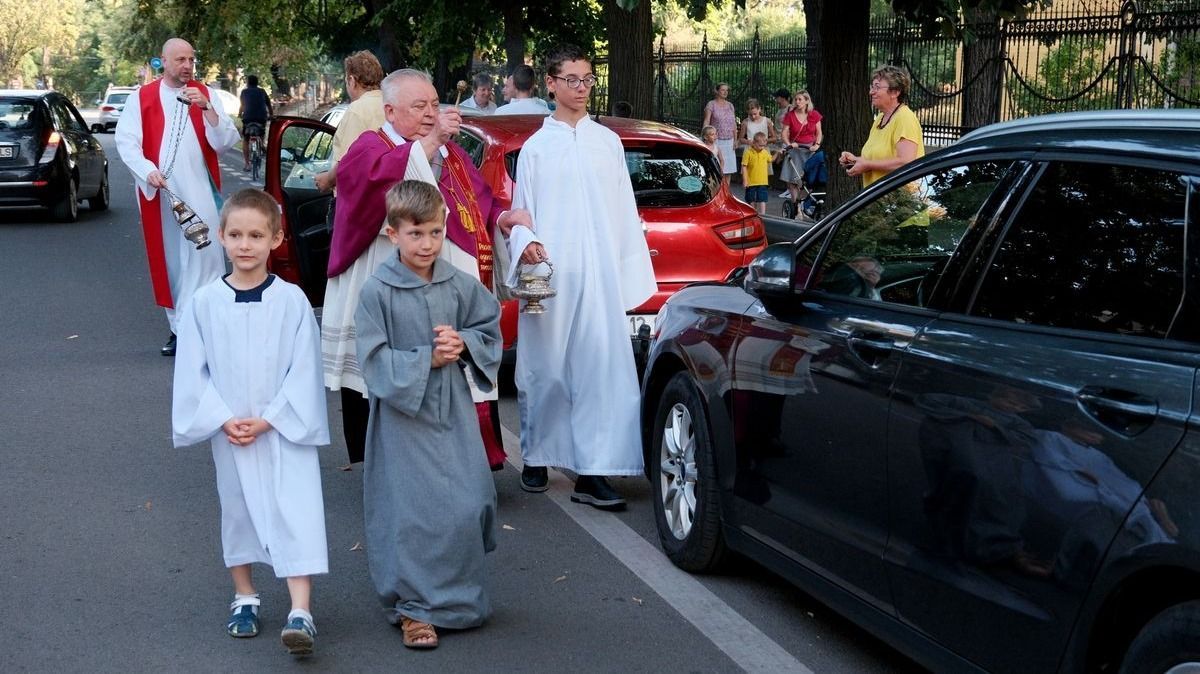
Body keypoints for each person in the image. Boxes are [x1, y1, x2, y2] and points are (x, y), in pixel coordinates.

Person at [324, 68, 531, 467]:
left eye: (434, 105)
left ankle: (463, 458)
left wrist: (503, 220)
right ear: (389, 110)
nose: (431, 114)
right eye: (419, 106)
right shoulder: (369, 147)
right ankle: (384, 463)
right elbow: (378, 191)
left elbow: (480, 202)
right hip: (388, 290)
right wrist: (432, 143)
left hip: (446, 292)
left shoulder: (450, 154)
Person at [171, 188, 329, 656]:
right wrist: (222, 419)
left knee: (295, 508)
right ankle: (245, 595)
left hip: (282, 428)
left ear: (276, 239)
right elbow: (192, 371)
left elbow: (304, 368)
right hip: (231, 430)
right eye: (236, 234)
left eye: (256, 235)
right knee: (236, 509)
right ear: (220, 236)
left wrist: (270, 419)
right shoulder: (204, 303)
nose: (245, 244)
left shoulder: (292, 301)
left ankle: (301, 609)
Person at [502, 44, 656, 508]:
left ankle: (594, 470)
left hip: (600, 274)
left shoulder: (606, 142)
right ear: (550, 83)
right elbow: (523, 211)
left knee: (601, 367)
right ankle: (537, 453)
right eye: (572, 79)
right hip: (547, 273)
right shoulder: (536, 148)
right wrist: (525, 247)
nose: (582, 88)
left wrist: (626, 278)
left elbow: (624, 214)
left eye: (588, 79)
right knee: (543, 366)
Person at [355, 180, 502, 649]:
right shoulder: (377, 292)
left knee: (470, 502)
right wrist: (426, 359)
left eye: (435, 233)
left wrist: (464, 345)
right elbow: (373, 361)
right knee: (412, 515)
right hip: (402, 420)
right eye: (416, 233)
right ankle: (414, 609)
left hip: (452, 412)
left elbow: (488, 328)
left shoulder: (458, 282)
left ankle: (460, 601)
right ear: (392, 234)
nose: (427, 244)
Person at [116, 37, 241, 357]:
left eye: (191, 60)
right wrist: (147, 171)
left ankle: (205, 329)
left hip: (201, 191)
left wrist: (207, 108)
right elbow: (127, 142)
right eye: (180, 60)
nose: (187, 66)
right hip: (161, 196)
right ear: (164, 61)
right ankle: (178, 328)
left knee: (208, 256)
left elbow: (225, 141)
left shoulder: (204, 93)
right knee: (173, 263)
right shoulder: (141, 98)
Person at [313, 51, 386, 199]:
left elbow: (348, 162)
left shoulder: (357, 109)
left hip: (355, 199)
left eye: (347, 82)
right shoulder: (391, 103)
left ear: (352, 80)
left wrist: (327, 180)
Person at [839, 65, 925, 188]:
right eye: (872, 86)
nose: (871, 92)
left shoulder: (905, 118)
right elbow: (877, 158)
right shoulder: (880, 118)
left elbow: (906, 162)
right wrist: (856, 160)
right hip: (878, 200)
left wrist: (868, 165)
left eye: (877, 87)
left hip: (898, 201)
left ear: (895, 92)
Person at [779, 89, 823, 211]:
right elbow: (784, 132)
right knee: (792, 180)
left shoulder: (814, 115)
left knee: (809, 180)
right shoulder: (790, 115)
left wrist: (817, 144)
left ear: (807, 101)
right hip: (795, 149)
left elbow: (819, 132)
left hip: (810, 149)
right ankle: (795, 204)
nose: (797, 102)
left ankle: (806, 204)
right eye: (796, 99)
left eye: (800, 99)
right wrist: (789, 144)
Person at [702, 82, 737, 187]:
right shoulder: (711, 104)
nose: (725, 92)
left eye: (727, 90)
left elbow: (734, 123)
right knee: (717, 168)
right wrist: (704, 135)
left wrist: (736, 140)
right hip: (717, 140)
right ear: (716, 91)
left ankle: (726, 192)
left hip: (729, 140)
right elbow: (707, 120)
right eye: (723, 90)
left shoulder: (730, 105)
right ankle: (715, 191)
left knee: (728, 170)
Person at [237, 75, 273, 172]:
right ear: (257, 83)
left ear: (248, 83)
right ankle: (261, 145)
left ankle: (247, 164)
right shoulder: (262, 91)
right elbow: (268, 104)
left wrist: (239, 114)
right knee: (261, 133)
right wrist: (271, 115)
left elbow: (242, 105)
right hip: (261, 118)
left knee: (246, 139)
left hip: (248, 118)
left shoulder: (244, 92)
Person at [741, 131, 771, 215]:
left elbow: (771, 159)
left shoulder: (765, 152)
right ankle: (752, 214)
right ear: (754, 143)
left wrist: (778, 153)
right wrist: (745, 180)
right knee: (751, 199)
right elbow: (744, 166)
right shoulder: (748, 152)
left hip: (762, 181)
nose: (762, 147)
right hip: (751, 181)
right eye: (760, 145)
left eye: (763, 146)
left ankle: (763, 215)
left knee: (762, 199)